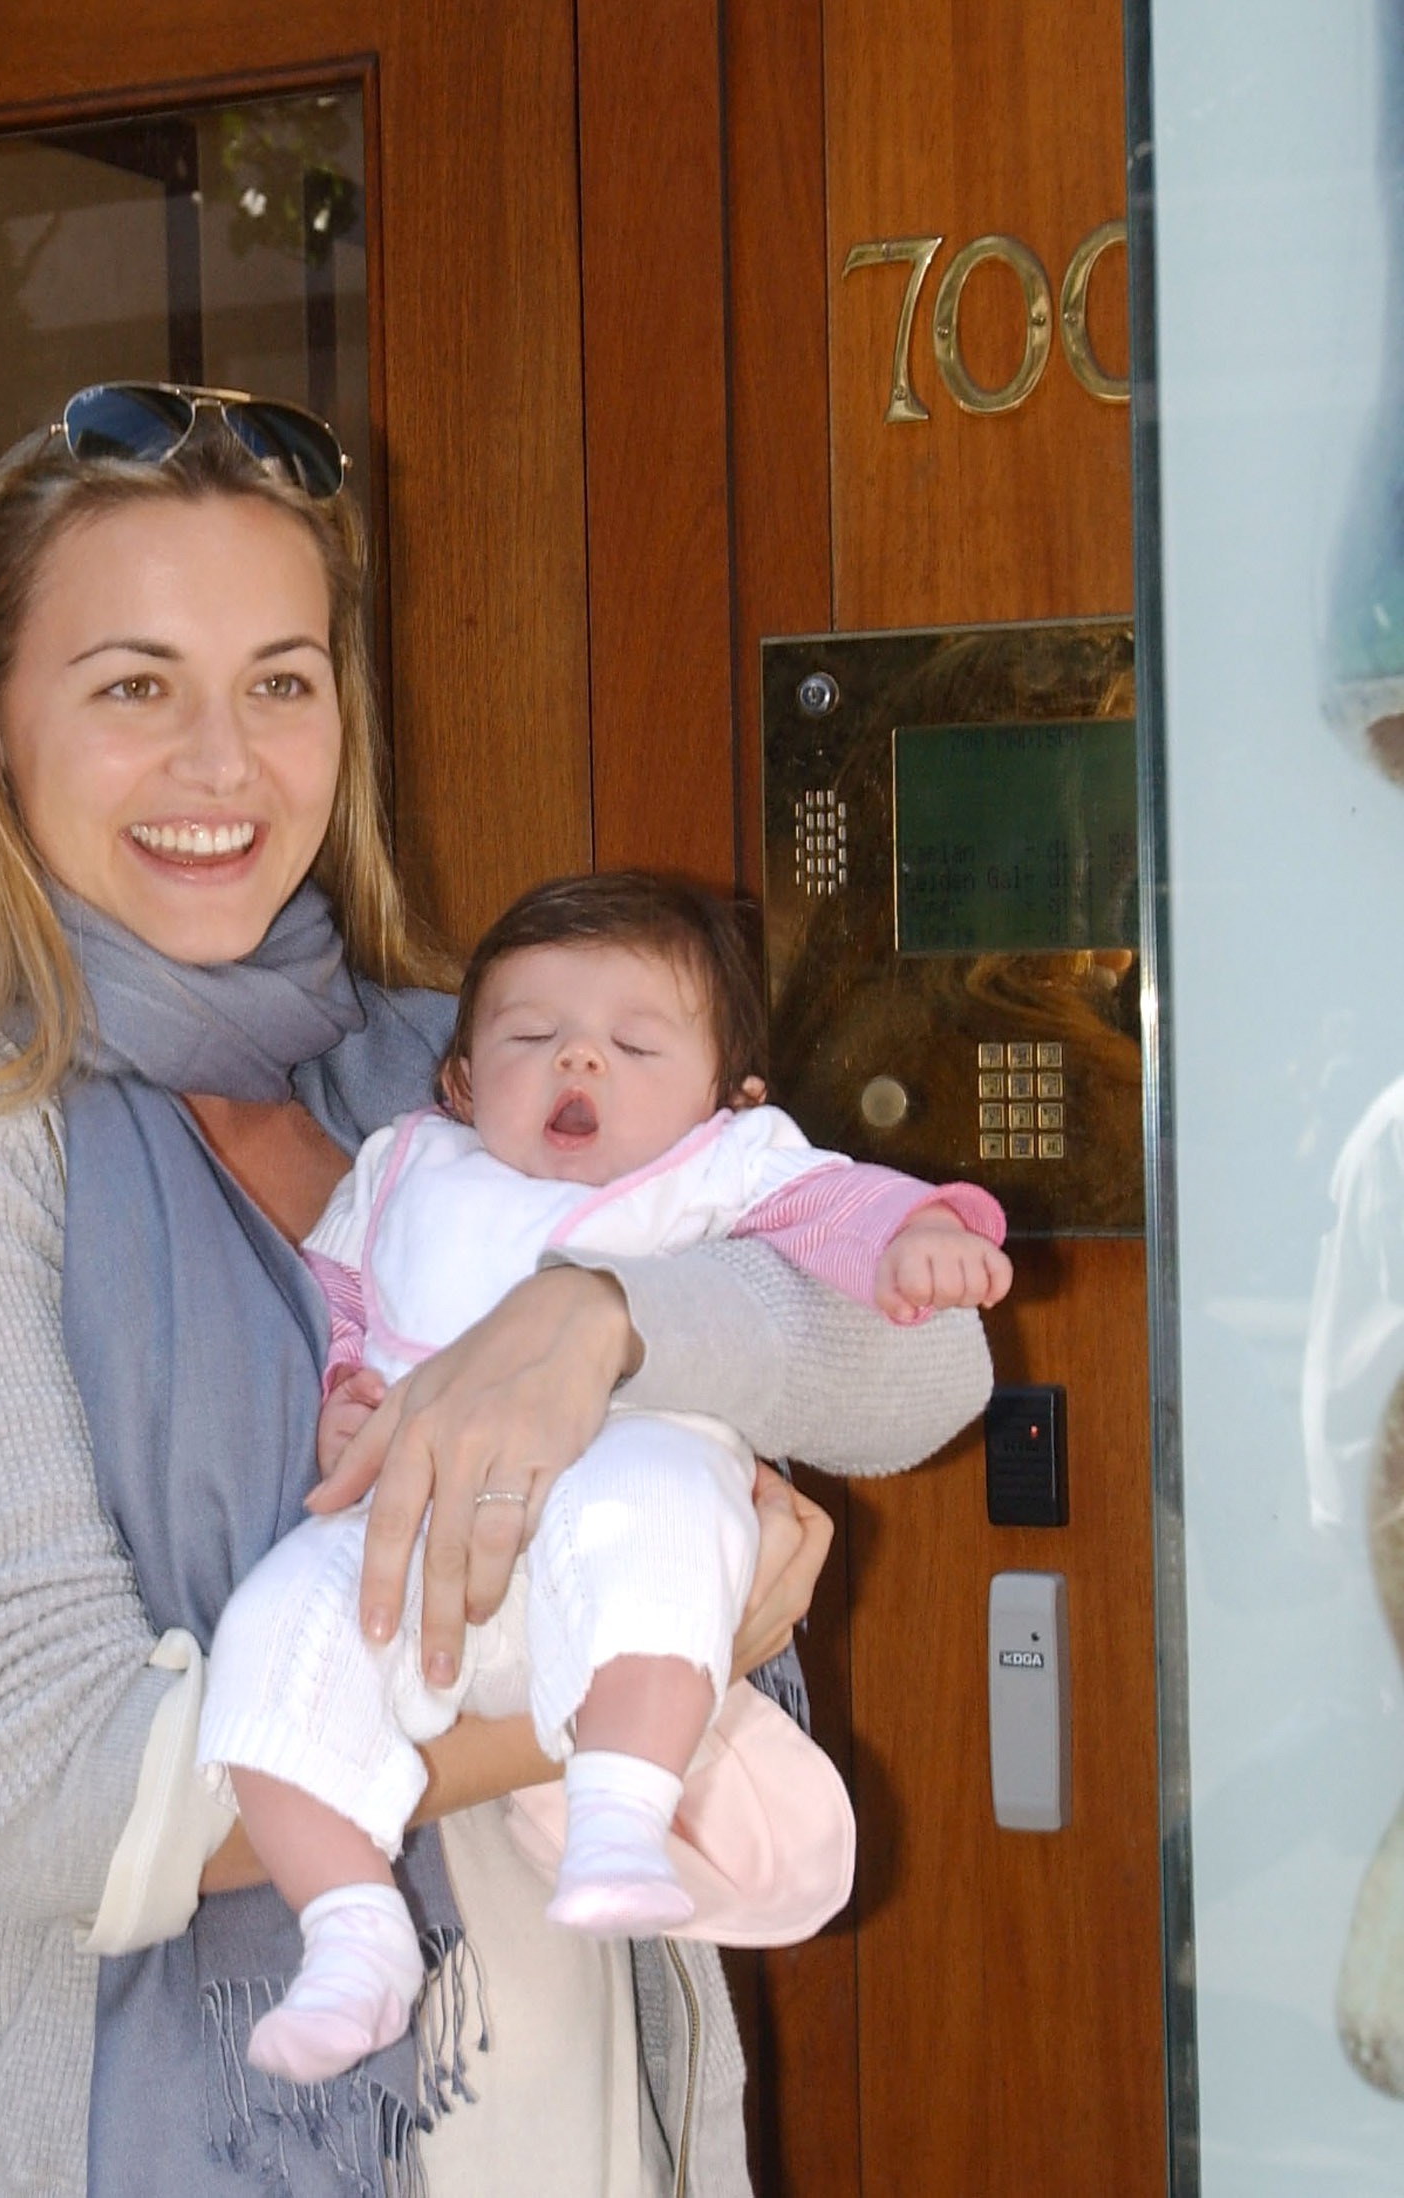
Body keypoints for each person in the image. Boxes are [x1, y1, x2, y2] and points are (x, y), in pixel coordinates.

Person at [0, 386, 996, 2198]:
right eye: (132, 686)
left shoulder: (445, 1065)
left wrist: (599, 1320)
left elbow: (927, 1357)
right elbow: (58, 1808)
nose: (223, 761)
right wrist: (622, 1682)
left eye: (281, 678)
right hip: (157, 2134)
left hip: (580, 2118)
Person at [204, 869, 1011, 2083]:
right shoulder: (408, 1162)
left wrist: (916, 1239)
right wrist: (347, 1395)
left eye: (634, 1045)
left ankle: (621, 1815)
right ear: (464, 1079)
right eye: (533, 1040)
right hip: (414, 1545)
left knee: (661, 1502)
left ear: (726, 1098)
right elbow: (342, 1299)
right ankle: (351, 1933)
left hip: (612, 1503)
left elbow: (839, 1210)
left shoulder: (712, 1166)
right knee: (271, 1639)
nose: (579, 1064)